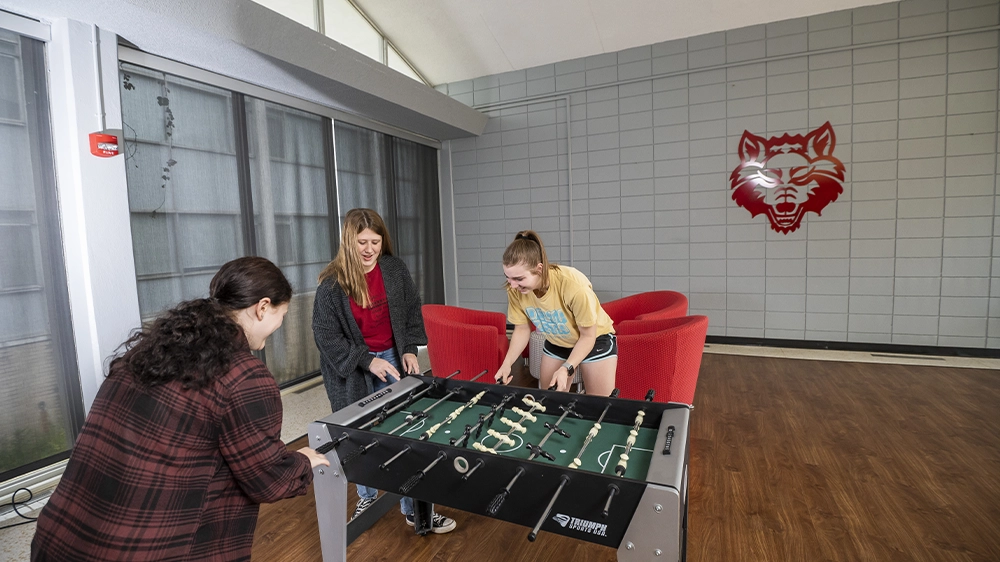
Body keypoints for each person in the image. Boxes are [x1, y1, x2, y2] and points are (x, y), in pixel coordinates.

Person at [31, 256, 328, 562]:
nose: (280, 324)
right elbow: (268, 480)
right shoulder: (244, 376)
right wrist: (301, 461)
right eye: (282, 314)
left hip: (58, 540)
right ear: (262, 307)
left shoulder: (146, 353)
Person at [312, 208, 456, 534]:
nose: (369, 249)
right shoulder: (331, 285)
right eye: (361, 242)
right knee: (358, 435)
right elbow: (326, 337)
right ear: (349, 241)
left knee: (404, 431)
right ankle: (368, 495)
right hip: (354, 367)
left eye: (375, 241)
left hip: (392, 354)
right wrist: (367, 361)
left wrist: (408, 349)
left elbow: (410, 310)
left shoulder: (393, 269)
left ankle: (414, 509)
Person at [494, 230, 617, 396]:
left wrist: (567, 368)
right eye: (508, 277)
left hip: (595, 339)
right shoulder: (514, 289)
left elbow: (588, 336)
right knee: (549, 401)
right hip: (558, 340)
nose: (513, 285)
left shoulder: (573, 285)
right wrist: (507, 363)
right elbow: (522, 329)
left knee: (598, 407)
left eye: (519, 279)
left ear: (539, 269)